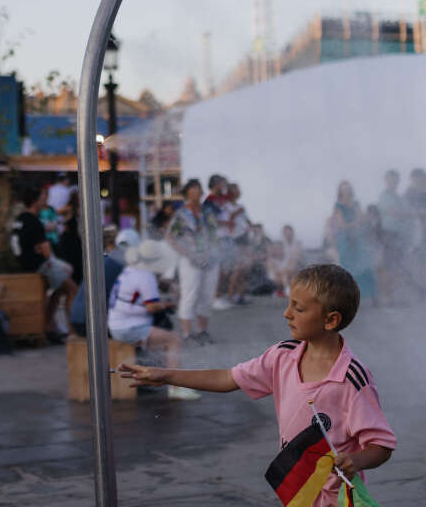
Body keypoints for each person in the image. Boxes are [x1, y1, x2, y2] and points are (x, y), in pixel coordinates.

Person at [118, 264, 396, 506]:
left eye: (298, 308)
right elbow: (227, 378)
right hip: (298, 492)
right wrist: (165, 375)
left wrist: (357, 460)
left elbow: (381, 444)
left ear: (331, 319)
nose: (287, 313)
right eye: (289, 303)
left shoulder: (351, 379)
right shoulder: (283, 356)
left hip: (337, 499)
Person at [107, 240, 193, 398]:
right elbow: (151, 307)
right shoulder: (146, 276)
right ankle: (175, 387)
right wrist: (168, 304)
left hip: (117, 323)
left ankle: (154, 375)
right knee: (173, 340)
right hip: (127, 328)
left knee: (164, 337)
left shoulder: (131, 269)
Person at [10, 185, 76, 344]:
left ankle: (48, 326)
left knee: (59, 289)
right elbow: (46, 252)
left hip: (25, 263)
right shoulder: (34, 221)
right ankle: (73, 332)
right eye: (43, 196)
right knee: (72, 288)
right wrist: (56, 263)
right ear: (36, 201)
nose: (45, 200)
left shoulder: (20, 219)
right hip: (39, 264)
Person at [166, 179, 220, 344]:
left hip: (210, 259)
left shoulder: (207, 212)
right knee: (190, 295)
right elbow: (170, 236)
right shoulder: (181, 214)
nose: (196, 192)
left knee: (207, 295)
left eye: (198, 188)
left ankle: (202, 330)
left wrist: (213, 250)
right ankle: (187, 333)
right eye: (193, 189)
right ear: (187, 193)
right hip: (190, 260)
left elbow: (214, 234)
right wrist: (186, 253)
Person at [327, 182, 377, 307]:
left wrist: (359, 221)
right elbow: (342, 225)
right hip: (345, 239)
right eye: (343, 189)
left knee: (364, 263)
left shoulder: (355, 203)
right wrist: (356, 222)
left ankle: (368, 295)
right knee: (347, 266)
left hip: (358, 237)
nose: (346, 191)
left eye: (348, 188)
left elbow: (362, 218)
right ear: (340, 191)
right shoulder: (338, 205)